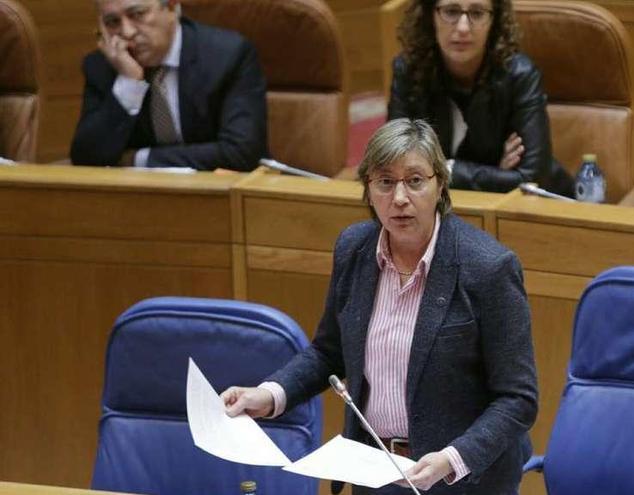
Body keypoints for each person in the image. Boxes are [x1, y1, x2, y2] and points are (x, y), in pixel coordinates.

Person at [221, 118, 538, 494]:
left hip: (461, 482)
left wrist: (452, 459)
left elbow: (518, 398)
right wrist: (269, 394)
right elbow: (329, 352)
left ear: (440, 185)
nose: (400, 198)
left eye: (415, 180)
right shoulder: (354, 249)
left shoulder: (488, 268)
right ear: (368, 190)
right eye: (385, 182)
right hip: (374, 474)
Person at [388, 0, 574, 196]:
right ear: (430, 16)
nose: (463, 28)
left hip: (536, 210)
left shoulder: (520, 75)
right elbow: (393, 163)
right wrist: (497, 174)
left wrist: (449, 169)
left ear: (494, 20)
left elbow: (531, 178)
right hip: (447, 209)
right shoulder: (408, 71)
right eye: (451, 11)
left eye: (477, 13)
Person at [70, 0, 267, 171]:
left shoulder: (227, 55)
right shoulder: (103, 66)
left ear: (172, 6)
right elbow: (86, 157)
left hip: (220, 194)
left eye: (138, 14)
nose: (127, 32)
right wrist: (129, 83)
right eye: (112, 22)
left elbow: (241, 153)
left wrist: (138, 159)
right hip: (139, 200)